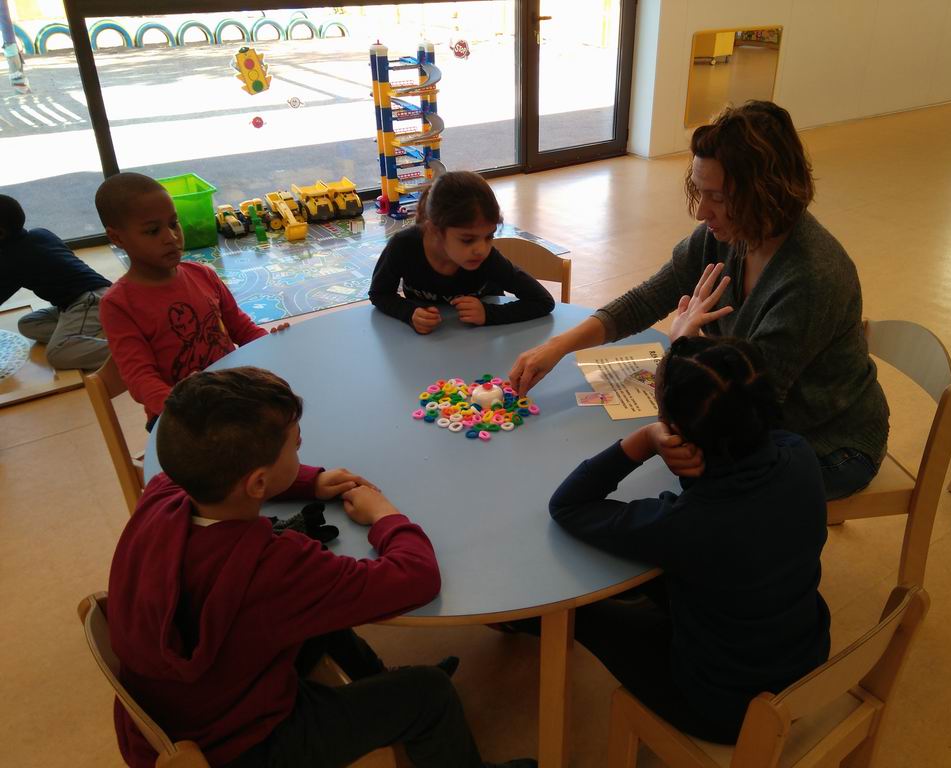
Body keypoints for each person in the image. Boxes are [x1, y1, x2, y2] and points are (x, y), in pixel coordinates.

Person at [107, 366, 536, 768]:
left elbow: (226, 481)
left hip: (180, 709)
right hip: (246, 744)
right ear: (258, 482)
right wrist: (384, 514)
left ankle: (373, 679)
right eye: (295, 444)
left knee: (322, 618)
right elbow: (417, 578)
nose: (300, 446)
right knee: (430, 694)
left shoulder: (162, 495)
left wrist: (308, 480)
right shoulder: (276, 568)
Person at [508, 101, 889, 500]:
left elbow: (745, 409)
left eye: (718, 197)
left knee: (684, 495)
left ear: (766, 193)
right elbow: (647, 299)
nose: (702, 212)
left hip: (828, 444)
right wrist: (559, 346)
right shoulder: (729, 234)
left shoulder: (811, 277)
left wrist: (683, 346)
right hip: (752, 417)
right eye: (700, 191)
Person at [537, 336, 830, 744]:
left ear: (678, 435)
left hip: (727, 709)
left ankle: (520, 620)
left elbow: (568, 505)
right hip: (806, 662)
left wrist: (644, 440)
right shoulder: (801, 455)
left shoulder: (686, 524)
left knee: (578, 613)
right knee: (659, 580)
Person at [95, 172, 285, 426]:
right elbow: (141, 380)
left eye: (174, 224)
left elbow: (241, 328)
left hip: (233, 393)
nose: (171, 237)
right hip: (179, 415)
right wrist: (184, 408)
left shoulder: (203, 274)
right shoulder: (118, 305)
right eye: (153, 231)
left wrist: (272, 344)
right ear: (117, 238)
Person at [369, 170, 554, 334]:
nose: (481, 249)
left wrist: (488, 314)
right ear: (435, 230)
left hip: (482, 340)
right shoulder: (403, 246)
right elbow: (380, 293)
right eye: (467, 240)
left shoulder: (488, 259)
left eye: (489, 236)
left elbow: (542, 301)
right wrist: (409, 314)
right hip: (427, 345)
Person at [0, 194, 110, 370]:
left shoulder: (13, 258)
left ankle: (132, 351)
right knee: (27, 325)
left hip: (88, 300)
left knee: (58, 354)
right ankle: (92, 334)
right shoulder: (40, 233)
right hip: (82, 300)